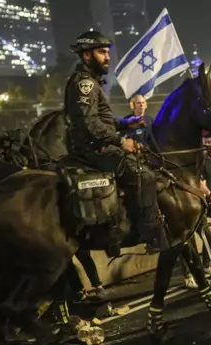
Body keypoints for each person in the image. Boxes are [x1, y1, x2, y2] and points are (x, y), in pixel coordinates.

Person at [64, 31, 167, 253]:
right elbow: (89, 123)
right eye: (102, 52)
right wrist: (121, 140)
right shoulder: (85, 84)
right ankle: (149, 233)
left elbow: (103, 120)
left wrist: (125, 123)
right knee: (144, 175)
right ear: (87, 56)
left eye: (108, 52)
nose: (108, 57)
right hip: (95, 149)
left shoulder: (91, 81)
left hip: (98, 144)